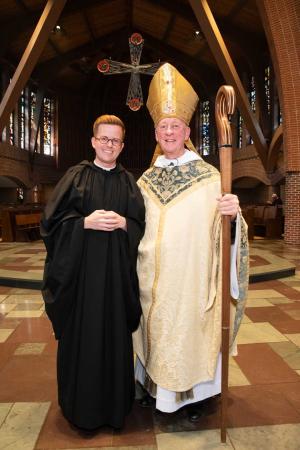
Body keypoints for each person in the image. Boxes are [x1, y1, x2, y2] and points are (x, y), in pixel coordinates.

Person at [133, 63, 249, 422]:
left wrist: (233, 213)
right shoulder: (145, 180)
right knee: (153, 334)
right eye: (163, 126)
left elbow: (228, 233)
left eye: (175, 126)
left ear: (186, 131)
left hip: (191, 282)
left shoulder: (211, 178)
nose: (169, 131)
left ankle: (196, 399)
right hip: (151, 281)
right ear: (156, 133)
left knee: (188, 335)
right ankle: (153, 389)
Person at [40, 115, 145, 430]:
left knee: (114, 338)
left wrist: (125, 224)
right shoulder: (75, 177)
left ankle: (115, 409)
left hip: (115, 281)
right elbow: (49, 223)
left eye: (115, 141)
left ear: (122, 145)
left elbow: (142, 225)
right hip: (81, 280)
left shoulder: (129, 182)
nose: (109, 145)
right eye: (104, 139)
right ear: (93, 141)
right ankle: (80, 408)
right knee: (82, 340)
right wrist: (82, 223)